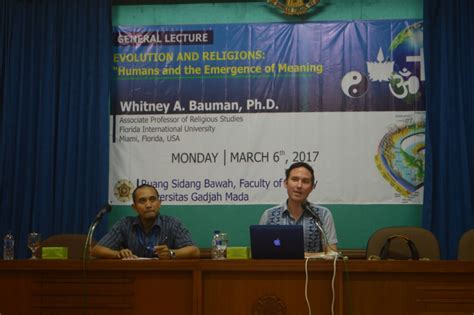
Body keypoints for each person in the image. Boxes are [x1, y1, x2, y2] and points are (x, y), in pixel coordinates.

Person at [91, 184, 200, 259]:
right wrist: (118, 254)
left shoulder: (172, 224)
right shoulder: (124, 224)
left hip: (165, 278)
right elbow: (97, 250)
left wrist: (171, 253)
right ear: (134, 207)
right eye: (142, 201)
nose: (148, 205)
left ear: (159, 203)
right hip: (133, 278)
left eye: (152, 199)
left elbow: (194, 251)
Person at [259, 162, 338, 255]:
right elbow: (261, 252)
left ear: (312, 187)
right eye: (295, 179)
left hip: (312, 269)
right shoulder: (268, 215)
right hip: (278, 269)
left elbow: (332, 253)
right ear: (286, 183)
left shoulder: (322, 214)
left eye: (305, 181)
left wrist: (303, 256)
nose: (299, 185)